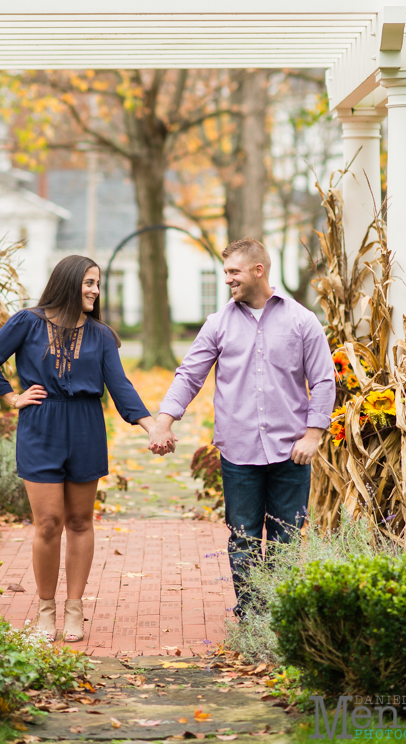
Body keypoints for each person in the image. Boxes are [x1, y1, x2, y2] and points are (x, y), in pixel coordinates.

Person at [0, 254, 155, 642]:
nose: (95, 290)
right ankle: (45, 609)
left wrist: (151, 426)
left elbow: (120, 386)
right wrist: (11, 398)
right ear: (69, 282)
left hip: (86, 427)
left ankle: (75, 608)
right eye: (89, 282)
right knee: (49, 523)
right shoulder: (28, 322)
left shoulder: (101, 335)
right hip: (40, 427)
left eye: (98, 284)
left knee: (79, 521)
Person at [149, 238, 335, 614]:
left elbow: (324, 380)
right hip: (239, 452)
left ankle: (279, 618)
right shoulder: (217, 324)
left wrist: (314, 434)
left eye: (233, 272)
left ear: (258, 271)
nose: (228, 280)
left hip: (291, 451)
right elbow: (189, 376)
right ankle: (252, 617)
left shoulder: (302, 320)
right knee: (244, 539)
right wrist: (163, 423)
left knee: (285, 540)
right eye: (226, 272)